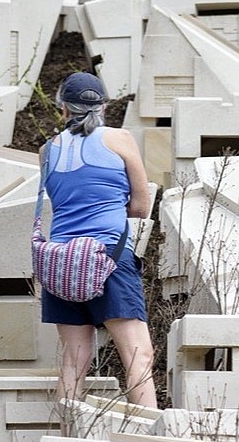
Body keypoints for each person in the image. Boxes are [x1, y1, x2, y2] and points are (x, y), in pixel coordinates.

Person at [39, 72, 158, 413]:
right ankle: (148, 439)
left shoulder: (47, 150)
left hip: (62, 261)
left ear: (63, 108)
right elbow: (140, 205)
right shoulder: (120, 140)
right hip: (108, 255)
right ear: (104, 106)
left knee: (74, 361)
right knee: (137, 353)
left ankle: (65, 439)